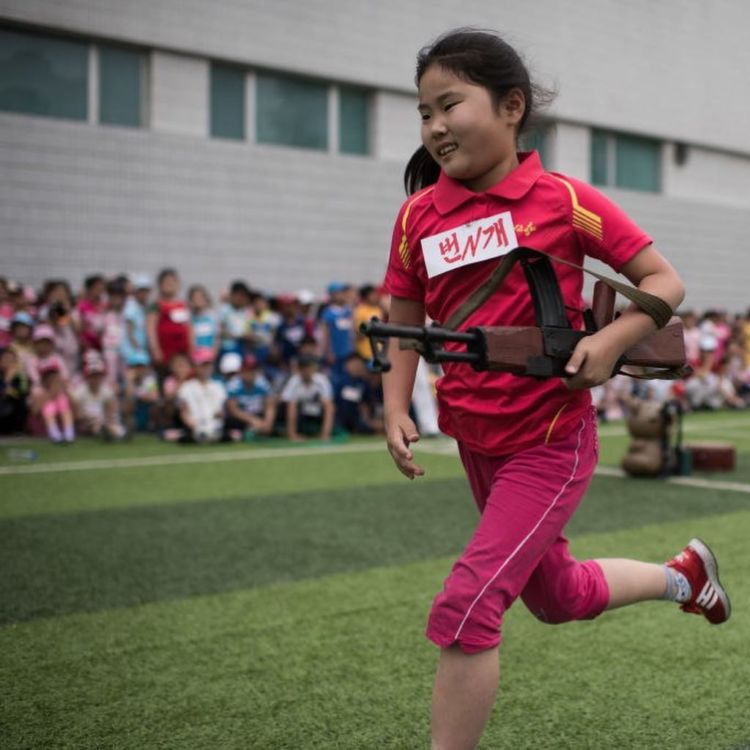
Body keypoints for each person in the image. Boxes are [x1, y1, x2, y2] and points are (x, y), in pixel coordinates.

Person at [380, 29, 729, 750]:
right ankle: (684, 578)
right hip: (474, 439)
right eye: (424, 112)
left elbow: (664, 281)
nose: (435, 126)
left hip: (551, 440)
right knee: (557, 596)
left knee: (468, 605)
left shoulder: (564, 200)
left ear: (511, 107)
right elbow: (403, 320)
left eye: (450, 104)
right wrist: (393, 410)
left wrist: (607, 342)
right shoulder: (417, 218)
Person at [146, 268, 192, 380]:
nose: (169, 285)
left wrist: (192, 346)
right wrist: (155, 349)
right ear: (160, 285)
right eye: (166, 282)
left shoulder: (183, 305)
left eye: (172, 282)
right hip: (164, 352)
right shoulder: (155, 305)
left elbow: (189, 327)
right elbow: (150, 328)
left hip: (182, 352)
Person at [70, 351, 126, 439]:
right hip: (87, 422)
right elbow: (78, 415)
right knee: (95, 426)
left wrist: (106, 419)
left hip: (104, 419)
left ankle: (116, 433)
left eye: (98, 375)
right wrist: (89, 418)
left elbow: (112, 411)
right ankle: (105, 433)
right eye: (92, 376)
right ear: (87, 377)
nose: (95, 379)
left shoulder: (107, 391)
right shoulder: (79, 392)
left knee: (113, 426)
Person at [280, 353, 334, 441]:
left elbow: (328, 405)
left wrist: (325, 434)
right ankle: (293, 434)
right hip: (301, 414)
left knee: (329, 406)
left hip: (317, 412)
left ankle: (325, 433)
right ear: (299, 369)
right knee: (292, 406)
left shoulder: (322, 380)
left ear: (314, 367)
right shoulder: (294, 381)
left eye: (308, 367)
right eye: (303, 367)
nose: (306, 370)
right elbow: (290, 406)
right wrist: (292, 435)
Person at [176, 350, 226, 442]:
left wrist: (215, 424)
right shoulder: (186, 387)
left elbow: (220, 412)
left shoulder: (218, 386)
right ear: (195, 367)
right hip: (194, 425)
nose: (205, 368)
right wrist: (196, 427)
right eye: (202, 365)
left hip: (214, 426)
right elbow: (184, 412)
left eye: (208, 365)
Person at [224, 354, 276, 439]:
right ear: (241, 371)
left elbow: (270, 406)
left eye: (252, 370)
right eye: (247, 370)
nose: (250, 373)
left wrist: (268, 423)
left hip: (258, 414)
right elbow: (233, 410)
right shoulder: (233, 385)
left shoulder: (263, 383)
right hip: (241, 419)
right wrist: (252, 420)